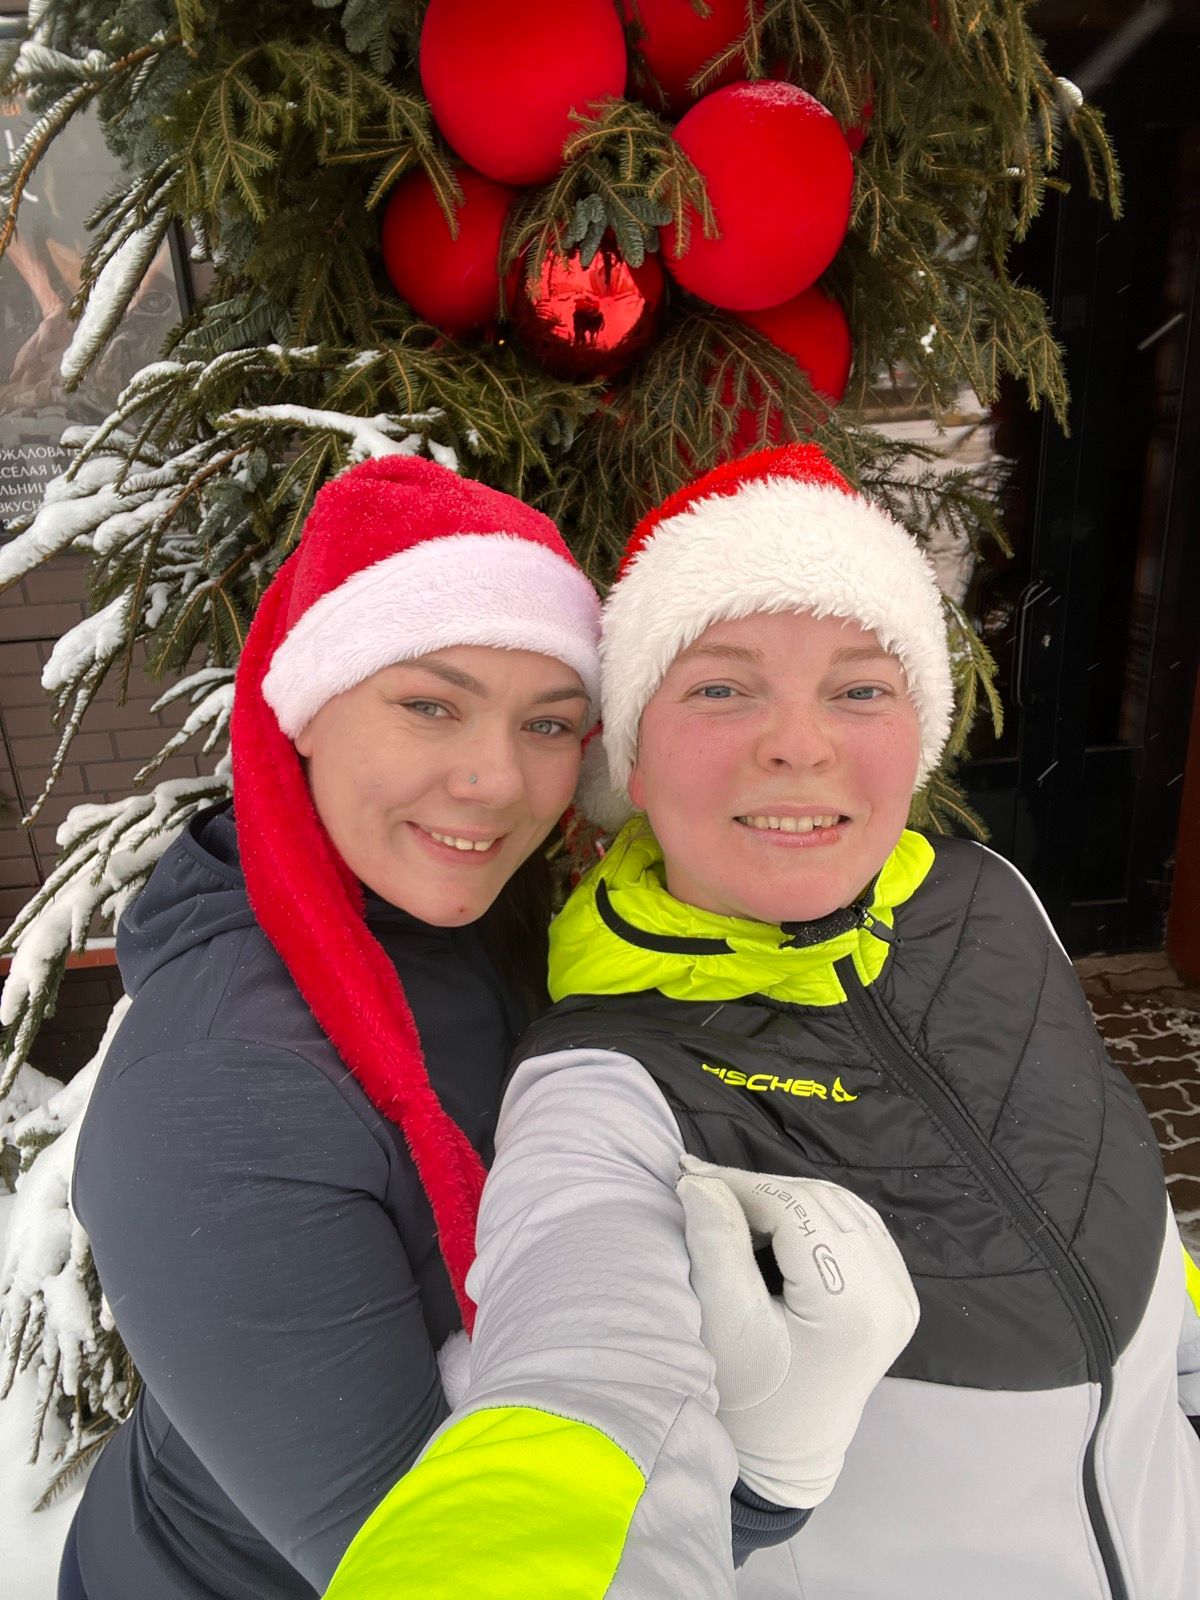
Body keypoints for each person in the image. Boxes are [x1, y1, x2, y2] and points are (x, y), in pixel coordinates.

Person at [321, 444, 1200, 1600]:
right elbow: (570, 1398)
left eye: (860, 688)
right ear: (633, 760)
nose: (800, 743)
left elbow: (1113, 1201)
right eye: (722, 687)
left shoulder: (990, 898)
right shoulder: (601, 1085)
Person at [61, 453, 606, 1599]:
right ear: (307, 708)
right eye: (429, 704)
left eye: (549, 722)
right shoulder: (224, 1087)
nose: (495, 779)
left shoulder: (462, 917)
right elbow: (448, 1575)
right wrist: (775, 1458)